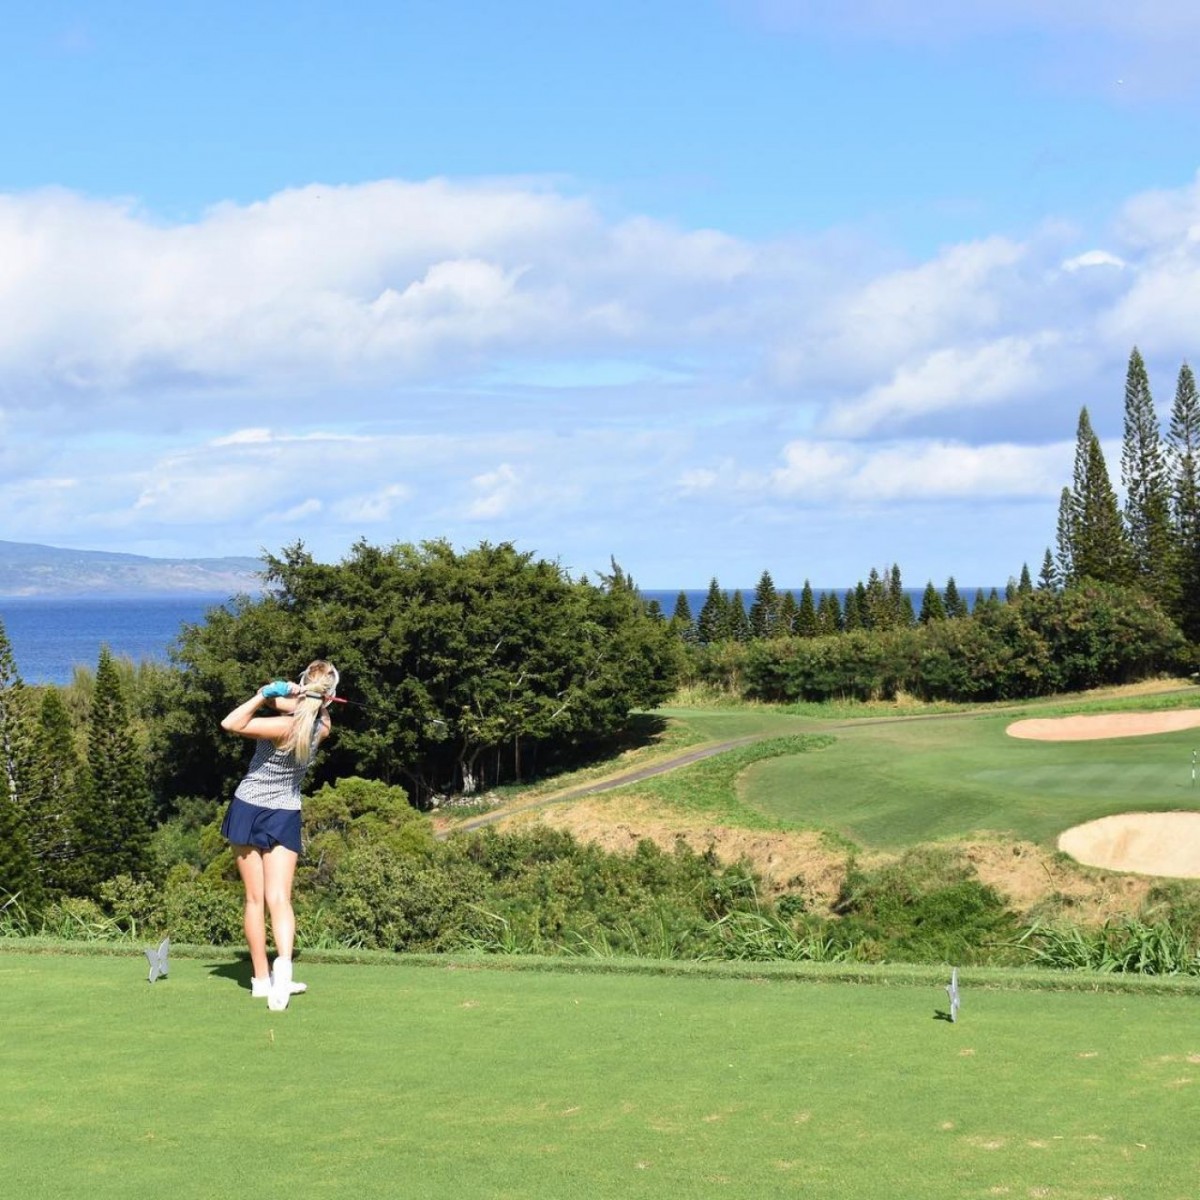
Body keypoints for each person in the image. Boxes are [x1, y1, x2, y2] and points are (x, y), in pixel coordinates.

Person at [219, 659, 339, 1010]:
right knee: (280, 899)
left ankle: (261, 981)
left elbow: (231, 722)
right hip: (285, 811)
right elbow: (310, 710)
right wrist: (291, 694)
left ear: (305, 688)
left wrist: (262, 694)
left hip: (248, 808)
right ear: (329, 698)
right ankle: (283, 969)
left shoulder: (280, 728)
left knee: (255, 900)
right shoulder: (321, 729)